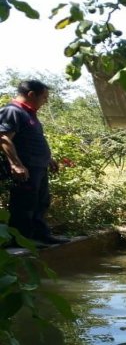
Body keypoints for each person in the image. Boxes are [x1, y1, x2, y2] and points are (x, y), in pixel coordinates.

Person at [0, 80, 70, 246]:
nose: (45, 101)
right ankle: (21, 240)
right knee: (25, 204)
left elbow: (32, 140)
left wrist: (48, 159)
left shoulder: (29, 114)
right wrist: (16, 164)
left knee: (41, 202)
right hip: (26, 168)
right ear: (31, 94)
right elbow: (3, 138)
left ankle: (40, 235)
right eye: (44, 97)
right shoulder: (12, 110)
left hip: (39, 167)